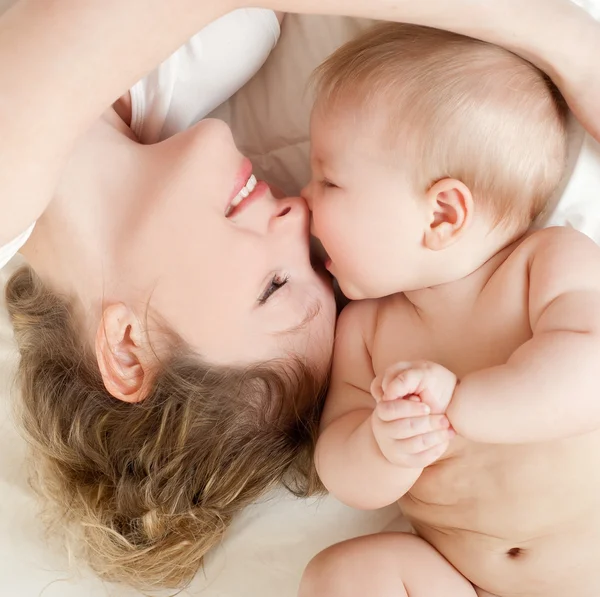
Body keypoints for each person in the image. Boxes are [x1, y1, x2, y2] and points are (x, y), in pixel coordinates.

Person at [0, 0, 599, 590]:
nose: (298, 213)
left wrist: (567, 44)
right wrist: (567, 41)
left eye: (277, 284)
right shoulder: (233, 40)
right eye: (279, 284)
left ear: (129, 347)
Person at [300, 23, 600, 597]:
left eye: (329, 181)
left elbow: (589, 370)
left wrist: (461, 406)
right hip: (465, 582)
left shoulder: (546, 265)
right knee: (341, 575)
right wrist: (383, 448)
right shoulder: (365, 330)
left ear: (441, 214)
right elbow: (338, 464)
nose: (302, 198)